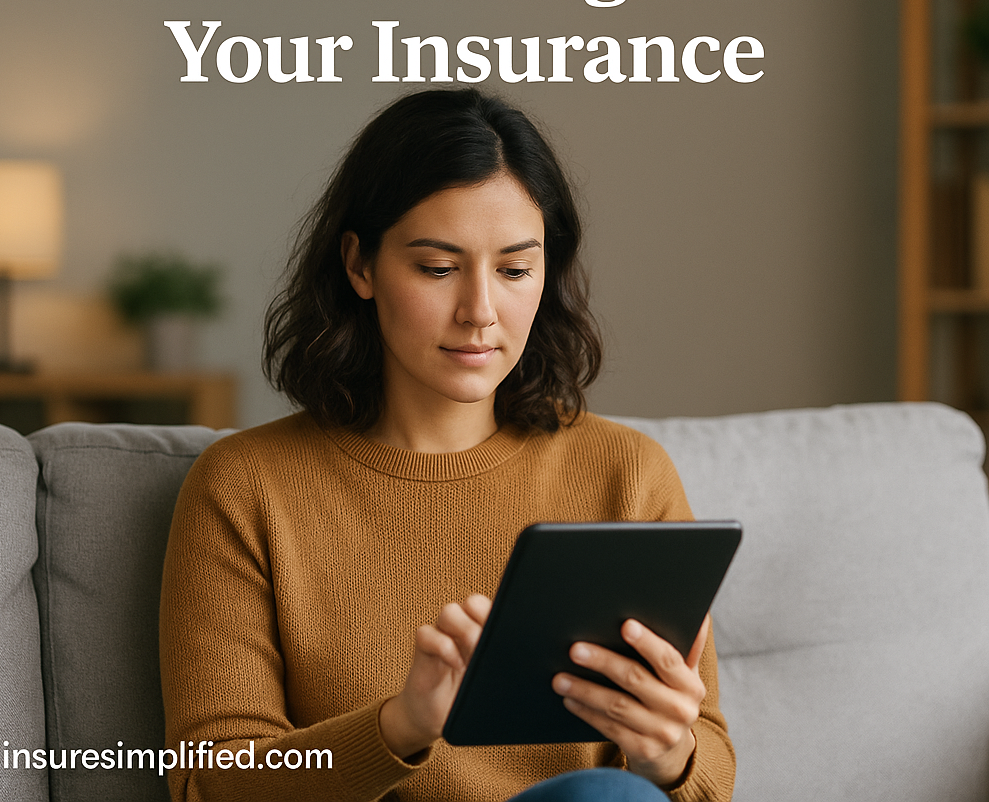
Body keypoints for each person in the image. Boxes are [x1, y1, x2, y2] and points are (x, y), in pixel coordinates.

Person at [158, 88, 735, 802]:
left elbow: (709, 777)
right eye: (437, 268)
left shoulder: (627, 474)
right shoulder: (247, 485)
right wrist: (400, 727)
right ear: (360, 266)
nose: (481, 312)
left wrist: (670, 752)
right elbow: (208, 783)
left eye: (515, 270)